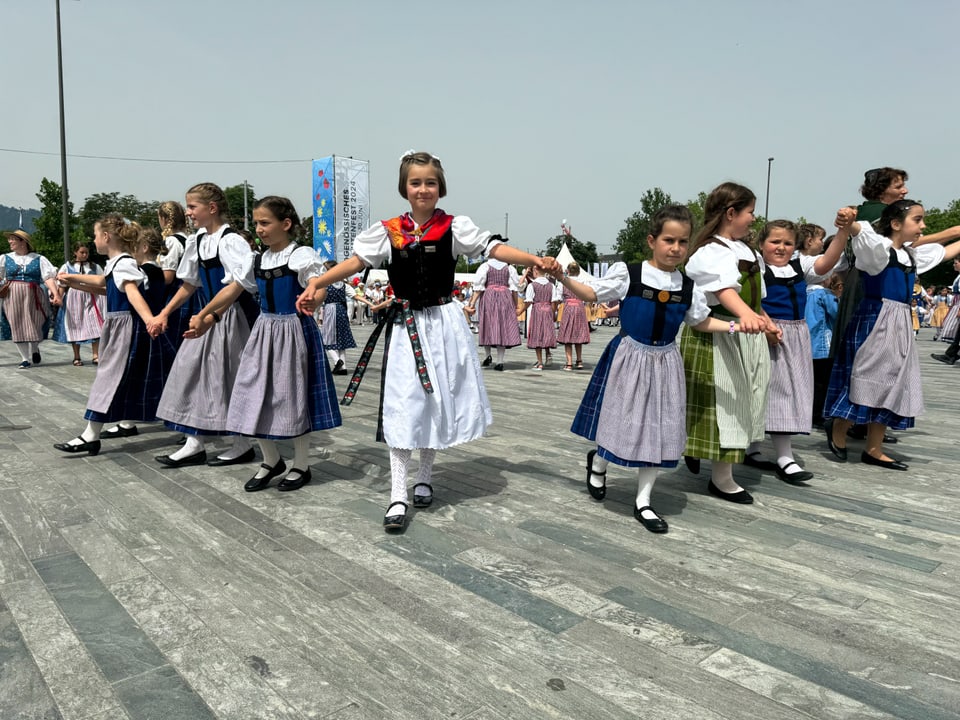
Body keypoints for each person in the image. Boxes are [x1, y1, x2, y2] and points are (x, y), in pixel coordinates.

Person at [296, 150, 558, 531]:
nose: (423, 189)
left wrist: (531, 257)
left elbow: (493, 248)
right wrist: (319, 281)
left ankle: (425, 476)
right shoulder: (388, 231)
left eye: (430, 182)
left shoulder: (454, 227)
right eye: (416, 182)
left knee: (434, 400)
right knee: (404, 405)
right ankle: (397, 494)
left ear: (441, 187)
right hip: (406, 328)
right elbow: (356, 263)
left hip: (442, 324)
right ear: (404, 187)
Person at [562, 205, 749, 533]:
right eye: (669, 240)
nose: (676, 248)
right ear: (652, 240)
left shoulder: (688, 286)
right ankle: (599, 462)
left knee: (658, 430)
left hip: (665, 362)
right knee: (620, 422)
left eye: (682, 242)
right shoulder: (629, 273)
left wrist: (733, 328)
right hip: (628, 358)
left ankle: (644, 501)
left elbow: (700, 320)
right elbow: (591, 293)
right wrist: (561, 275)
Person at [190, 196, 341, 491]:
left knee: (292, 398)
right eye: (256, 223)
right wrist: (205, 314)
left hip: (293, 331)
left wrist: (312, 299)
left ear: (285, 225)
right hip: (263, 331)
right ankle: (271, 460)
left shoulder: (301, 255)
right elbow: (233, 290)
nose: (258, 229)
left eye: (264, 222)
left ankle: (301, 465)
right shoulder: (256, 259)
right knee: (250, 393)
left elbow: (319, 286)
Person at [825, 201, 960, 470]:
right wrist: (849, 219)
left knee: (893, 380)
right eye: (918, 220)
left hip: (899, 320)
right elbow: (860, 233)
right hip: (876, 318)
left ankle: (874, 448)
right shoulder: (879, 252)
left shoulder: (910, 256)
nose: (923, 226)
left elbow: (945, 253)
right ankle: (839, 428)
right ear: (896, 224)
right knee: (863, 374)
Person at [679, 182, 780, 504]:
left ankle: (698, 453)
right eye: (749, 212)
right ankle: (721, 478)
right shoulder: (710, 253)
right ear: (731, 213)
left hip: (743, 333)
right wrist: (748, 318)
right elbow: (725, 292)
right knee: (725, 405)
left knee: (743, 400)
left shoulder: (747, 251)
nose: (753, 219)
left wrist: (764, 321)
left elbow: (753, 299)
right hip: (717, 334)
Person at [149, 183, 259, 468]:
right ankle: (194, 441)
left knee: (231, 377)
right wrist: (165, 313)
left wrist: (207, 315)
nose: (188, 213)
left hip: (231, 317)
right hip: (207, 316)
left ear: (212, 208)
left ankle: (242, 443)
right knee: (190, 372)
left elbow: (238, 286)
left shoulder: (231, 241)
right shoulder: (198, 239)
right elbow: (189, 283)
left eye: (192, 207)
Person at [53, 217, 176, 455]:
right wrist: (74, 281)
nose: (94, 239)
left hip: (125, 327)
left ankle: (91, 434)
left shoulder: (124, 264)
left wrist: (150, 318)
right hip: (118, 325)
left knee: (107, 379)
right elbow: (105, 284)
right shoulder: (117, 263)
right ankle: (98, 432)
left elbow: (131, 292)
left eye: (96, 235)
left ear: (107, 237)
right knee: (114, 379)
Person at [744, 219, 848, 482]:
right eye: (775, 242)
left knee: (789, 393)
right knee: (764, 391)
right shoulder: (757, 268)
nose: (781, 248)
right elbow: (751, 300)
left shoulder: (800, 265)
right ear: (762, 244)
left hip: (796, 334)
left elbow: (827, 262)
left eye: (787, 243)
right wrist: (765, 325)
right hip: (767, 333)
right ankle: (761, 450)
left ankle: (780, 454)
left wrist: (844, 232)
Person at [0, 230, 61, 368]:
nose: (10, 242)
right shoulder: (5, 258)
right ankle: (25, 359)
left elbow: (48, 277)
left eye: (12, 239)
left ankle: (34, 348)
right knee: (17, 324)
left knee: (36, 322)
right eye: (9, 239)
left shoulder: (39, 258)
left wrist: (55, 294)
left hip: (34, 295)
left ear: (23, 242)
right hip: (12, 295)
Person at [156, 200, 207, 348]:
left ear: (164, 219)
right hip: (195, 295)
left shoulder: (171, 241)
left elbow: (168, 276)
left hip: (178, 293)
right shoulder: (188, 239)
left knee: (173, 340)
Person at [53, 243, 104, 366]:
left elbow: (101, 282)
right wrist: (58, 297)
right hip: (73, 298)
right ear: (75, 252)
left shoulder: (95, 267)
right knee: (75, 325)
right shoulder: (67, 266)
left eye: (86, 252)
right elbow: (62, 285)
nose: (85, 255)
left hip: (91, 297)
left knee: (95, 325)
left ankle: (95, 355)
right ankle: (77, 356)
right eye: (82, 252)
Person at [468, 255, 521, 371]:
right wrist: (516, 305)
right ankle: (500, 361)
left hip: (489, 297)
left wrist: (471, 304)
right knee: (502, 328)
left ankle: (488, 355)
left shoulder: (485, 266)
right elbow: (514, 289)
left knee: (487, 325)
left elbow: (478, 288)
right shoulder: (509, 268)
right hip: (505, 297)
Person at [806, 272, 842, 429]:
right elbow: (837, 314)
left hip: (808, 343)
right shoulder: (823, 294)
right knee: (822, 382)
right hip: (823, 344)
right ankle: (818, 414)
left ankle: (809, 412)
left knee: (812, 381)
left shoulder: (806, 292)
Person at [319, 259, 357, 375]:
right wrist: (371, 303)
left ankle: (337, 361)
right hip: (341, 310)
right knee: (341, 341)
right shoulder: (343, 284)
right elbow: (355, 295)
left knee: (326, 339)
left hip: (330, 310)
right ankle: (343, 367)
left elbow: (319, 299)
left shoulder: (325, 284)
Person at [520, 265, 559, 370]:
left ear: (536, 271)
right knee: (546, 333)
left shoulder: (532, 285)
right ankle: (548, 353)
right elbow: (554, 301)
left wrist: (520, 310)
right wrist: (553, 312)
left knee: (537, 334)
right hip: (548, 309)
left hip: (537, 309)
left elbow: (528, 301)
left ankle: (540, 362)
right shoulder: (551, 285)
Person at [556, 262, 591, 370]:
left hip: (568, 308)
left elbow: (558, 297)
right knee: (578, 335)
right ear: (579, 271)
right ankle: (579, 361)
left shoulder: (564, 282)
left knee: (567, 336)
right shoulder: (583, 282)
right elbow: (587, 296)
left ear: (568, 271)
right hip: (580, 308)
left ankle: (569, 363)